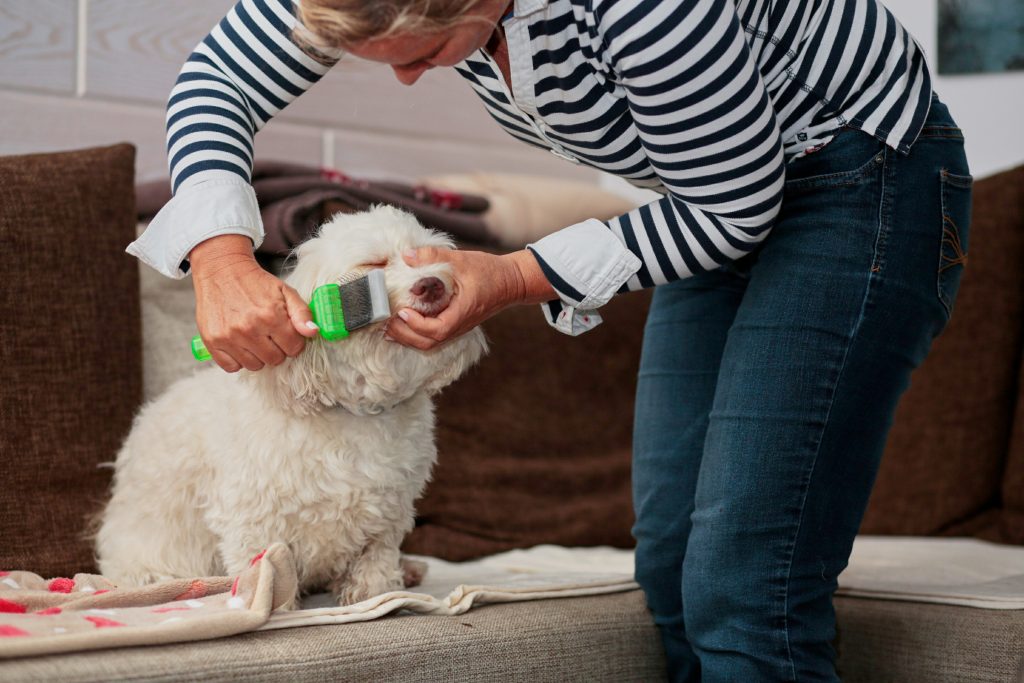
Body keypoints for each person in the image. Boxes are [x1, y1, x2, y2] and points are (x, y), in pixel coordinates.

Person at [129, 0, 973, 679]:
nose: (416, 78)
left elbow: (733, 208)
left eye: (429, 48)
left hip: (855, 177)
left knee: (748, 582)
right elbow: (216, 79)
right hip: (705, 190)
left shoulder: (647, 11)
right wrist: (219, 255)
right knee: (674, 570)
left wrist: (510, 276)